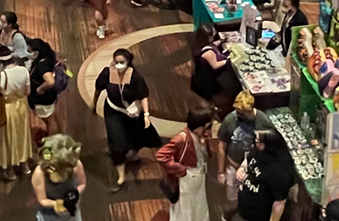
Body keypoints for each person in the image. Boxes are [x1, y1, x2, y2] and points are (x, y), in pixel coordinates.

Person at [94, 49, 161, 191]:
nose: (118, 65)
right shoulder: (107, 73)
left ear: (128, 62)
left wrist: (146, 114)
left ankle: (132, 153)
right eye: (116, 62)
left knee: (137, 135)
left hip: (132, 112)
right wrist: (94, 104)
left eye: (121, 63)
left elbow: (143, 95)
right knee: (116, 141)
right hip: (113, 111)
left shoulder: (135, 76)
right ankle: (121, 176)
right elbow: (98, 89)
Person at [157, 108, 217, 221]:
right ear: (199, 127)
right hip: (188, 178)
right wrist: (179, 169)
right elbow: (161, 155)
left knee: (199, 202)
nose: (210, 130)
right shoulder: (181, 139)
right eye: (208, 127)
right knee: (187, 205)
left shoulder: (202, 136)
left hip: (200, 174)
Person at [0, 45, 33, 180]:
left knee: (8, 138)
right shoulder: (24, 71)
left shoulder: (0, 77)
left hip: (8, 110)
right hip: (22, 107)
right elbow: (28, 91)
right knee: (22, 135)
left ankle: (11, 170)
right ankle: (25, 166)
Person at [235, 131, 295, 221]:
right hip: (244, 207)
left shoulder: (280, 172)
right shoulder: (258, 150)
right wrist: (242, 168)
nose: (255, 142)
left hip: (260, 216)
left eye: (258, 140)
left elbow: (279, 203)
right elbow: (248, 159)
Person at [34, 134, 87, 221]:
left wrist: (72, 197)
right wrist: (57, 204)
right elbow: (42, 199)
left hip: (71, 210)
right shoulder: (40, 173)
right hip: (49, 214)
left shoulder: (76, 165)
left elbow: (82, 183)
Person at [190, 25, 236, 114]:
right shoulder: (208, 52)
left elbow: (212, 45)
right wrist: (229, 60)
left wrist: (221, 41)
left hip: (200, 76)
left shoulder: (197, 45)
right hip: (209, 80)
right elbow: (216, 65)